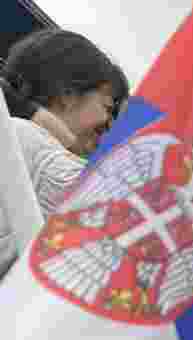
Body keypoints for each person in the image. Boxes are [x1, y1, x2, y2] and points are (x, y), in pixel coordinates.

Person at [0, 29, 130, 280]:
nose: (108, 127)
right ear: (68, 94)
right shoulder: (32, 145)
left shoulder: (16, 134)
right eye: (107, 107)